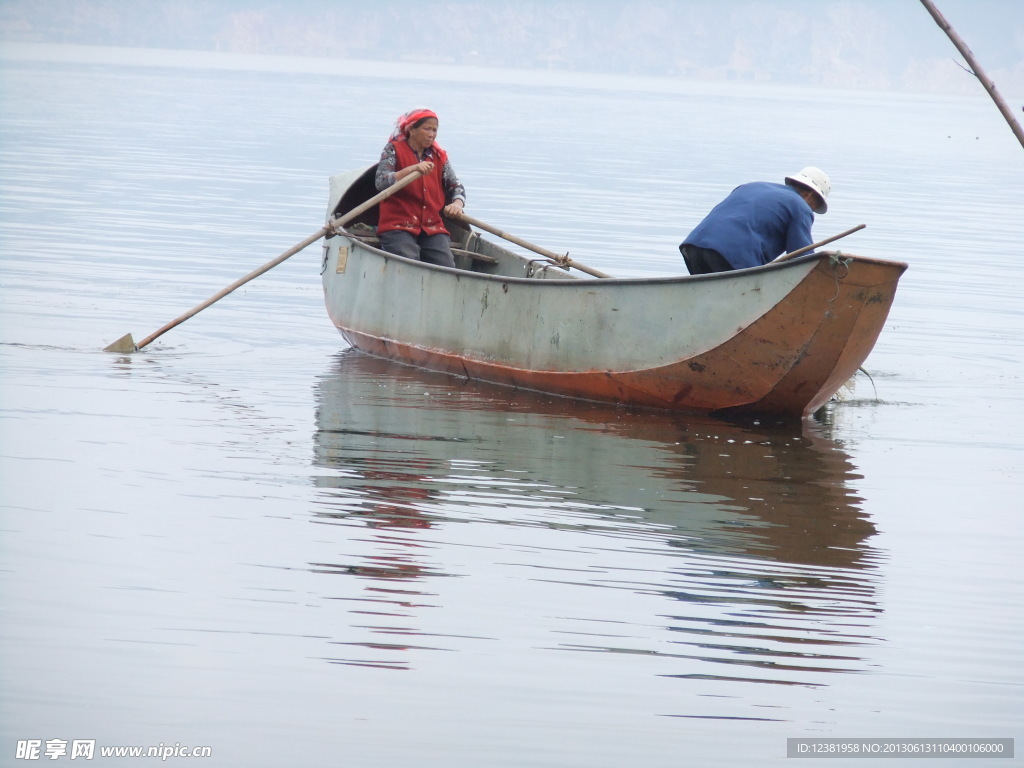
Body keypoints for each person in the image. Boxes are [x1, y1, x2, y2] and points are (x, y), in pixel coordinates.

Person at [679, 167, 831, 274]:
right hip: (732, 254)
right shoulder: (800, 206)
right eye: (815, 206)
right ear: (810, 195)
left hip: (694, 246)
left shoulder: (750, 186)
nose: (811, 210)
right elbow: (802, 258)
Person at [375, 108, 466, 268]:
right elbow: (381, 182)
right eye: (427, 129)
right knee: (408, 262)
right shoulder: (393, 149)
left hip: (431, 226)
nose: (431, 134)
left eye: (434, 130)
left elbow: (456, 186)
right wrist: (411, 169)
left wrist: (457, 204)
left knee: (446, 266)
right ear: (411, 129)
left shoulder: (439, 156)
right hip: (398, 225)